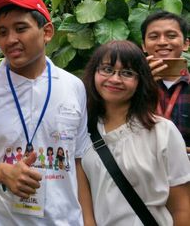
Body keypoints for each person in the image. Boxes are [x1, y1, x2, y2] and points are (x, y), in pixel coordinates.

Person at [0, 0, 90, 225]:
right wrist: (0, 172)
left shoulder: (73, 87)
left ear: (46, 32)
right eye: (2, 32)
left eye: (21, 28)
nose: (10, 39)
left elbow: (77, 161)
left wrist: (88, 220)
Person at [78, 40, 190, 225]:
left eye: (127, 73)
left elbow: (181, 207)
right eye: (107, 69)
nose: (114, 79)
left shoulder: (162, 131)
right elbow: (86, 209)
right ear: (94, 73)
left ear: (140, 80)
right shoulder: (83, 132)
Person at [141, 11, 190, 152]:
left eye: (171, 36)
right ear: (143, 45)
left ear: (186, 44)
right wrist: (142, 84)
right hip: (142, 169)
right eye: (154, 37)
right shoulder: (130, 86)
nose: (162, 42)